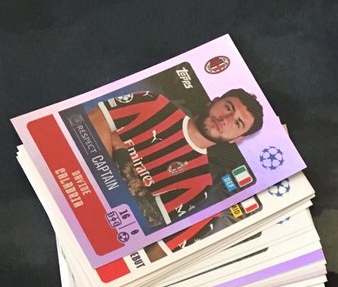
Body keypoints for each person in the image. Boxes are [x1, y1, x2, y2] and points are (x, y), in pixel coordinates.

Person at [87, 88, 264, 226]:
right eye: (228, 107)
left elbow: (147, 218)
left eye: (237, 123)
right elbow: (91, 123)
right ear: (215, 101)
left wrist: (119, 148)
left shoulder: (200, 184)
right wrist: (135, 189)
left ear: (236, 139)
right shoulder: (154, 102)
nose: (226, 119)